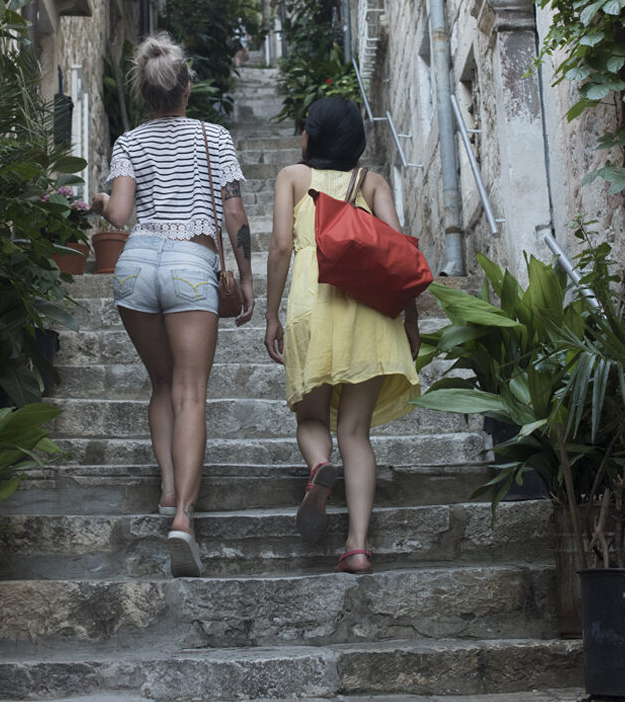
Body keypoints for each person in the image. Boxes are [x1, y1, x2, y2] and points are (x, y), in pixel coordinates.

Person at [92, 33, 254, 578]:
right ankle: (183, 517)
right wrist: (248, 280)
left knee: (161, 386)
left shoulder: (130, 141)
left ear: (145, 94)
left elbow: (117, 215)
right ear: (187, 88)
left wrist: (95, 196)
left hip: (135, 265)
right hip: (190, 265)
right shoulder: (214, 137)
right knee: (191, 392)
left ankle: (166, 489)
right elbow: (234, 216)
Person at [263, 96, 421, 574]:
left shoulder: (292, 177)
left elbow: (280, 247)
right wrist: (411, 322)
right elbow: (401, 254)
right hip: (369, 312)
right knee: (355, 431)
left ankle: (317, 467)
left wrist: (271, 314)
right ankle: (356, 546)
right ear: (357, 141)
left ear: (308, 136)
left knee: (311, 418)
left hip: (313, 304)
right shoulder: (371, 182)